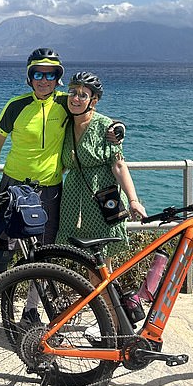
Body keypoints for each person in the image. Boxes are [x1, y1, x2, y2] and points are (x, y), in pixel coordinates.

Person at [0, 50, 123, 342]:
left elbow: (91, 114)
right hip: (12, 189)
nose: (44, 80)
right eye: (38, 74)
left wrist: (117, 128)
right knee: (1, 252)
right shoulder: (15, 106)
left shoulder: (65, 104)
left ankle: (32, 311)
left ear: (58, 78)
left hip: (50, 191)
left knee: (44, 256)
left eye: (51, 74)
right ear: (30, 76)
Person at [56, 71, 147, 265]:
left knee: (101, 265)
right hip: (72, 204)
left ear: (94, 101)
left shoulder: (106, 127)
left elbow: (119, 164)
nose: (76, 98)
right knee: (76, 261)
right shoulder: (64, 123)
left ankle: (106, 296)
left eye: (83, 94)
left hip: (102, 203)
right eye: (73, 92)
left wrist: (133, 200)